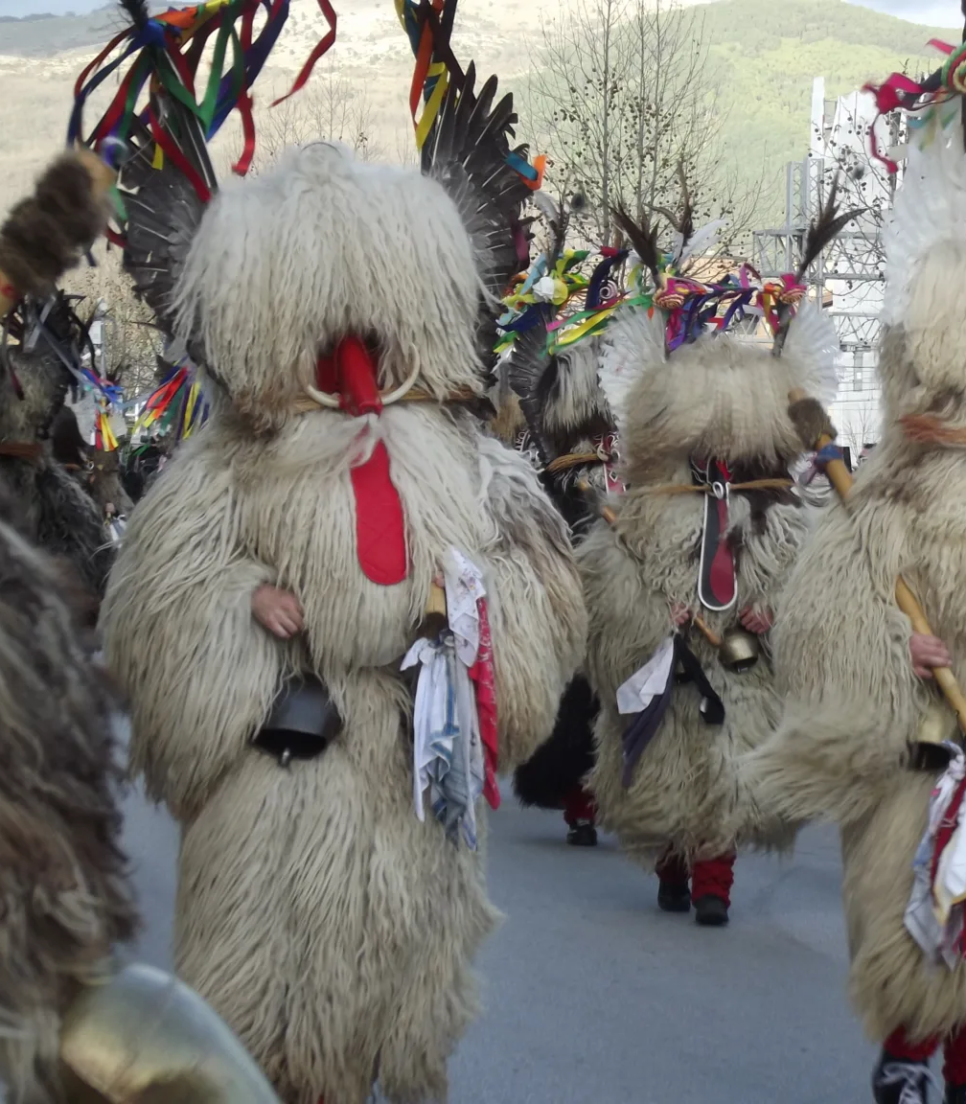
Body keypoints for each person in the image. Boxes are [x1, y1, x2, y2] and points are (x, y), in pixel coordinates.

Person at [101, 71, 586, 1104]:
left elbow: (537, 575)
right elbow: (156, 599)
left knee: (388, 1019)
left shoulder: (467, 460)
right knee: (257, 1017)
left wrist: (473, 622)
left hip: (412, 770)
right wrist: (244, 600)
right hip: (282, 774)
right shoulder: (230, 464)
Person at [747, 121, 966, 1102]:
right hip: (921, 760)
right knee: (925, 935)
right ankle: (913, 1064)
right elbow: (824, 625)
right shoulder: (886, 495)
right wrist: (899, 644)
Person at [577, 199, 843, 926]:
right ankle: (670, 864)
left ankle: (715, 881)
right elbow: (613, 580)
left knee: (728, 767)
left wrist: (770, 612)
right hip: (665, 654)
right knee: (661, 761)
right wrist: (648, 615)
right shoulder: (648, 505)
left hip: (741, 659)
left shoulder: (780, 511)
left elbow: (801, 577)